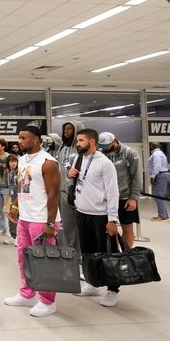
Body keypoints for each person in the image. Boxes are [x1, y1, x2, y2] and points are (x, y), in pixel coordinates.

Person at [4, 126, 62, 317]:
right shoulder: (21, 160)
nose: (19, 141)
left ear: (37, 140)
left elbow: (53, 195)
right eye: (19, 138)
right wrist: (15, 206)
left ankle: (47, 300)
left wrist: (51, 223)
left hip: (42, 219)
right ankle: (27, 293)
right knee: (23, 257)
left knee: (44, 260)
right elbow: (23, 186)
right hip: (25, 217)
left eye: (24, 138)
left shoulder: (48, 162)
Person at [69, 129, 121, 307]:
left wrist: (112, 219)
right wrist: (71, 176)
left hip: (101, 216)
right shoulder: (79, 159)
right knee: (88, 253)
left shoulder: (105, 164)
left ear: (92, 142)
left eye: (81, 140)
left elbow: (113, 192)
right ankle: (92, 283)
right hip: (82, 212)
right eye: (77, 140)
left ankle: (113, 289)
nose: (78, 143)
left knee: (108, 254)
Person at [99, 132, 142, 247]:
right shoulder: (101, 153)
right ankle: (114, 256)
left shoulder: (129, 153)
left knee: (127, 229)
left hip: (125, 197)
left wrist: (133, 198)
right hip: (106, 198)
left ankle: (126, 256)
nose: (105, 149)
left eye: (107, 146)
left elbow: (136, 177)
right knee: (110, 229)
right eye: (102, 147)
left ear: (114, 141)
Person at [54, 120, 84, 254]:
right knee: (68, 227)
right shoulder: (62, 148)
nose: (65, 132)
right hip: (63, 193)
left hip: (80, 193)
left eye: (69, 129)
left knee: (82, 227)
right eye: (64, 129)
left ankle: (82, 256)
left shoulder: (80, 149)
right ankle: (74, 256)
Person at [147, 142, 170, 222]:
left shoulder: (156, 154)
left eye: (150, 145)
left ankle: (162, 216)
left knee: (158, 196)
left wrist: (152, 177)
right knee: (159, 196)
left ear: (152, 146)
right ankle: (164, 215)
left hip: (160, 175)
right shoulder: (159, 153)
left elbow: (157, 166)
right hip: (163, 174)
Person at [4, 154, 19, 241]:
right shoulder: (7, 172)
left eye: (15, 161)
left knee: (18, 216)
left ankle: (17, 236)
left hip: (18, 197)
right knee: (10, 216)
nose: (13, 164)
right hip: (11, 196)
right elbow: (7, 185)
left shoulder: (19, 172)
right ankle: (13, 235)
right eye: (11, 162)